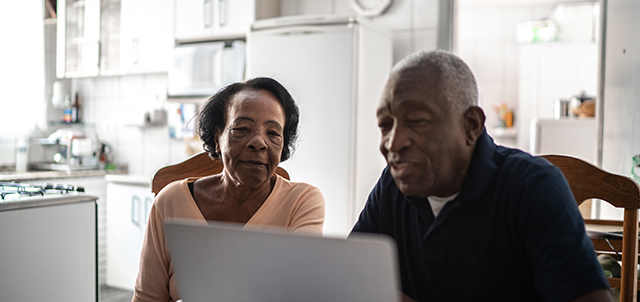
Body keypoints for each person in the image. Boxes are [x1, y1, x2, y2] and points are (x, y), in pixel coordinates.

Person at [351, 50, 612, 302]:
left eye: (417, 120)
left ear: (471, 125)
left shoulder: (532, 187)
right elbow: (350, 274)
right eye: (385, 125)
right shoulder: (391, 185)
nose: (393, 143)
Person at [132, 77, 325, 302]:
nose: (259, 142)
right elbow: (147, 297)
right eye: (242, 128)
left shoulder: (301, 202)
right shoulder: (170, 202)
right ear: (217, 139)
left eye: (273, 133)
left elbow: (299, 293)